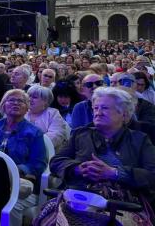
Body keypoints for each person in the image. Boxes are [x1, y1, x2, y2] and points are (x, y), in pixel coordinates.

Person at [41, 87, 155, 225]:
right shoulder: (80, 134)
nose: (98, 113)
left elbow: (151, 175)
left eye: (105, 108)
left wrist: (114, 173)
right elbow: (56, 162)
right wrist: (78, 169)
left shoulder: (140, 139)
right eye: (96, 108)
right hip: (78, 198)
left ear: (124, 115)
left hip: (122, 204)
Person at [0, 89, 47, 226]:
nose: (16, 103)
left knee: (10, 205)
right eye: (11, 100)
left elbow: (38, 164)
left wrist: (15, 171)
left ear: (27, 107)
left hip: (19, 185)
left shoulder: (34, 132)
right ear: (3, 105)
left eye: (20, 101)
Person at [25, 85, 70, 151]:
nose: (30, 99)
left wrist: (35, 143)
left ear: (45, 101)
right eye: (29, 96)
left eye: (34, 97)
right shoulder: (23, 112)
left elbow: (56, 135)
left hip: (47, 152)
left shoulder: (53, 114)